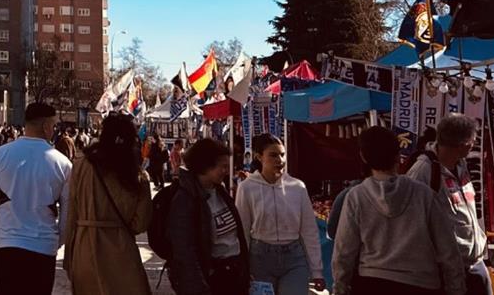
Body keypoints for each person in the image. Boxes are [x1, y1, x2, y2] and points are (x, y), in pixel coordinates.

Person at [330, 126, 464, 295]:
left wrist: (340, 288)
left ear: (363, 157)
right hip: (420, 284)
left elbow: (344, 251)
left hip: (371, 283)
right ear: (397, 155)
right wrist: (456, 288)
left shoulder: (356, 197)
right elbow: (448, 249)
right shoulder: (424, 194)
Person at [0, 103, 72, 295]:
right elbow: (68, 213)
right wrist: (56, 243)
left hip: (7, 247)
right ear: (46, 126)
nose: (54, 130)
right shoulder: (63, 164)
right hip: (43, 249)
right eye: (53, 125)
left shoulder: (0, 155)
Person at [64, 114, 152, 295]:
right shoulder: (137, 176)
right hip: (121, 251)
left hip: (85, 248)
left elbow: (72, 212)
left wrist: (69, 256)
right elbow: (140, 224)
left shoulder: (81, 165)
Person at [406, 114, 490, 295]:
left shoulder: (461, 164)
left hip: (475, 261)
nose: (473, 145)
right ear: (462, 145)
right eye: (472, 141)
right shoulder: (423, 171)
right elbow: (412, 223)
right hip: (445, 270)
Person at [235, 134, 325, 295]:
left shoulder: (297, 187)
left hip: (294, 259)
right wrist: (243, 266)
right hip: (260, 259)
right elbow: (242, 230)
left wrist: (316, 271)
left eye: (282, 155)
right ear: (259, 157)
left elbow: (309, 230)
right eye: (273, 155)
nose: (280, 160)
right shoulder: (247, 188)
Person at [167, 138, 250, 295]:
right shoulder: (185, 200)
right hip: (212, 279)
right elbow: (185, 250)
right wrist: (199, 287)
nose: (227, 171)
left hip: (234, 273)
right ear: (205, 166)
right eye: (223, 167)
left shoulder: (220, 190)